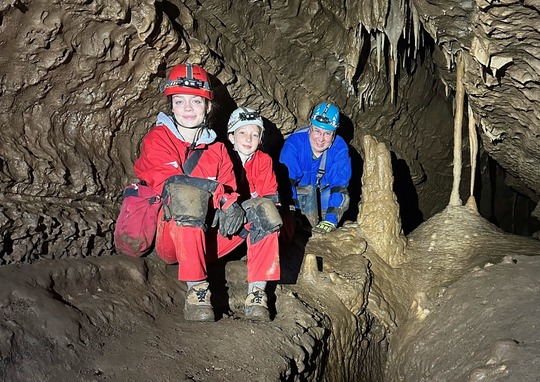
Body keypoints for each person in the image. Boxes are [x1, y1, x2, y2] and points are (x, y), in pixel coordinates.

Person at [132, 63, 280, 322]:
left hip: (209, 241)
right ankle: (197, 292)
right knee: (187, 195)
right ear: (171, 106)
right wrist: (219, 196)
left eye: (196, 101)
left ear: (208, 107)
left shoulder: (219, 149)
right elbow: (170, 183)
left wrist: (230, 203)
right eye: (179, 101)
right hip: (173, 239)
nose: (188, 108)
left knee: (263, 209)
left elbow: (229, 189)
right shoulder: (158, 139)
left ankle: (257, 293)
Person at [279, 102, 352, 234]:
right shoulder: (294, 144)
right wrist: (293, 215)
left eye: (327, 133)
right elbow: (286, 184)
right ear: (310, 127)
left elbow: (339, 186)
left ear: (334, 134)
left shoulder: (339, 148)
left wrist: (331, 220)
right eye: (317, 131)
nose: (321, 139)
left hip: (324, 192)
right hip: (298, 193)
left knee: (337, 199)